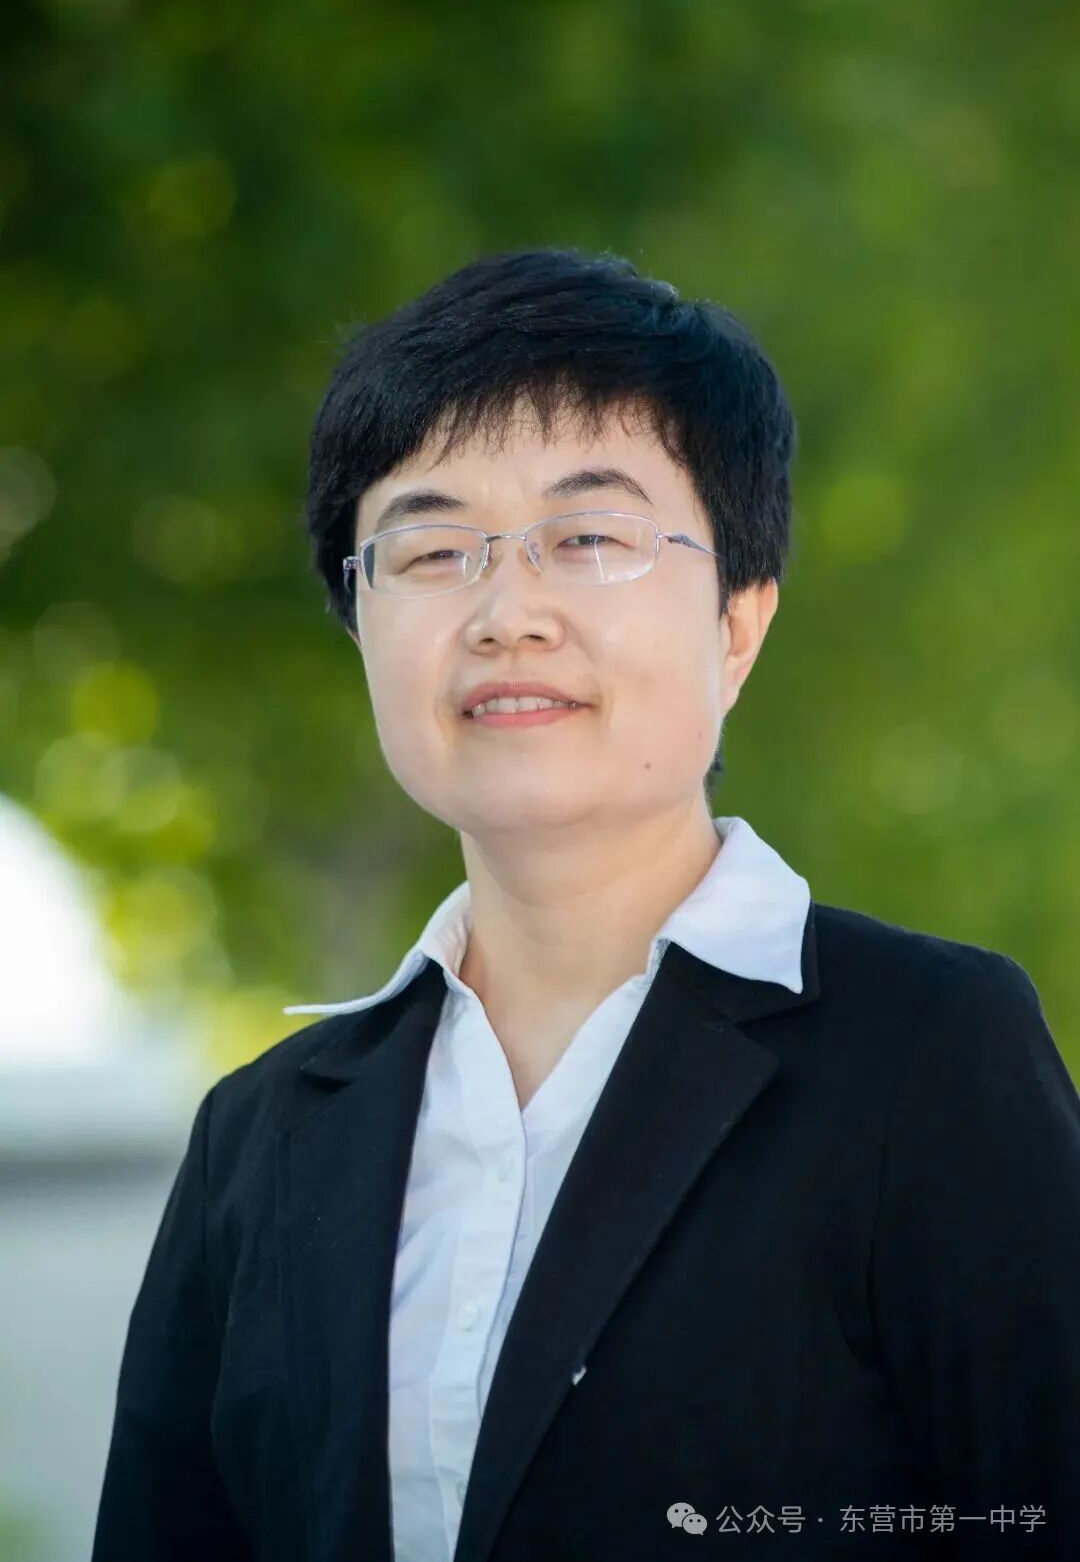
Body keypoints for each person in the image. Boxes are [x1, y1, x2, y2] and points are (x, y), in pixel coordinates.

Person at [92, 247, 1080, 1562]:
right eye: (432, 548)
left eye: (590, 538)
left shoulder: (926, 1052)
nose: (507, 612)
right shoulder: (260, 1138)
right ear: (361, 623)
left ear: (738, 625)